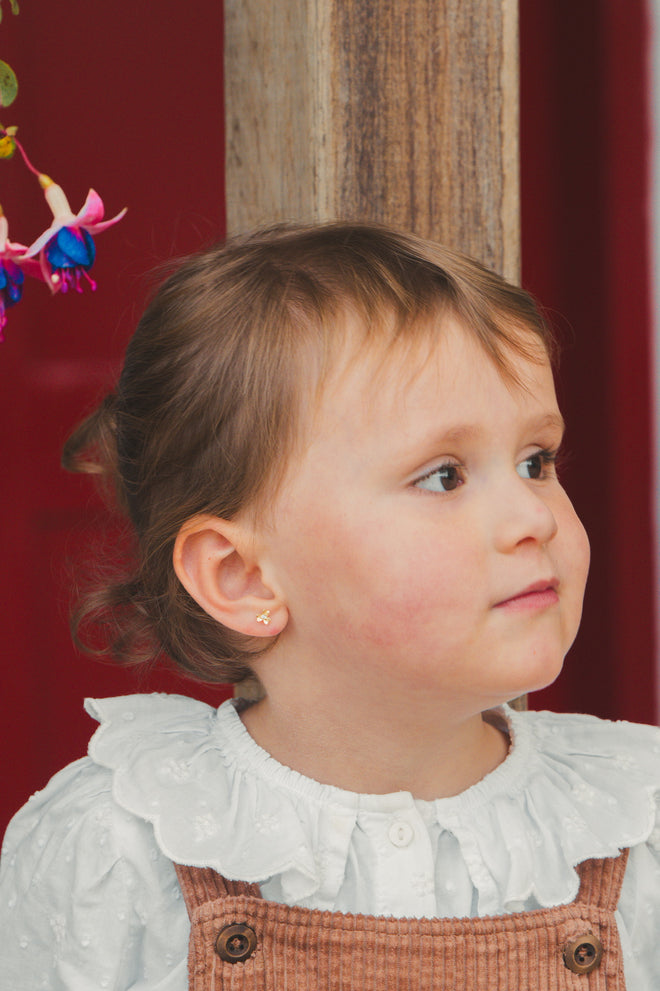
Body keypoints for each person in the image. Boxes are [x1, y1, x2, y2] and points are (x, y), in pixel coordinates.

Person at [1, 221, 659, 990]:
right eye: (444, 476)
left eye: (535, 461)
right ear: (242, 577)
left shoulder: (633, 822)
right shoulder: (118, 847)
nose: (534, 517)